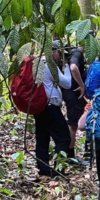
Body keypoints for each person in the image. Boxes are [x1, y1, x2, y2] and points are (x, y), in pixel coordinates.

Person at [34, 40, 73, 178]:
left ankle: (44, 170)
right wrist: (67, 66)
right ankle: (58, 170)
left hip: (38, 106)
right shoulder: (49, 65)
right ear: (53, 51)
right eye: (59, 53)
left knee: (42, 139)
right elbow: (67, 84)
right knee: (63, 138)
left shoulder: (37, 63)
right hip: (50, 107)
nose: (60, 57)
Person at [65, 39, 88, 157]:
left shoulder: (76, 53)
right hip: (73, 92)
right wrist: (81, 85)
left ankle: (86, 151)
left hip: (73, 93)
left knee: (86, 115)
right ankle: (70, 156)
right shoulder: (77, 53)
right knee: (73, 124)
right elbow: (73, 67)